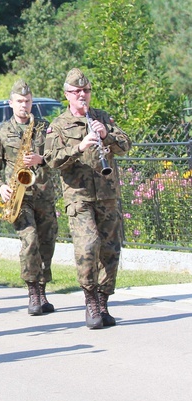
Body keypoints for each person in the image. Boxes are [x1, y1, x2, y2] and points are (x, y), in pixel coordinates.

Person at [44, 68, 131, 329]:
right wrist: (78, 148)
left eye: (85, 91)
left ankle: (103, 301)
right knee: (88, 246)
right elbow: (51, 159)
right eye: (76, 91)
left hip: (106, 195)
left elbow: (126, 144)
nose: (82, 95)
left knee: (110, 250)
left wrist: (107, 135)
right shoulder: (58, 125)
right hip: (79, 197)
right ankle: (90, 298)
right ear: (67, 95)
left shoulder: (101, 117)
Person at [0, 80, 58, 315]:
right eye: (20, 101)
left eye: (28, 101)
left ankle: (42, 289)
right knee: (30, 240)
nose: (24, 105)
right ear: (11, 103)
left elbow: (58, 157)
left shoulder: (45, 128)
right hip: (18, 197)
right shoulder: (2, 133)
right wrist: (0, 186)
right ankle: (33, 292)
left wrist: (41, 160)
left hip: (44, 194)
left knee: (47, 242)